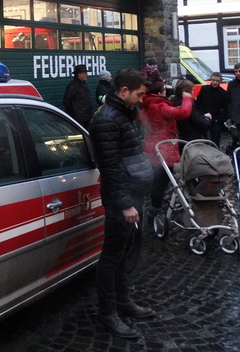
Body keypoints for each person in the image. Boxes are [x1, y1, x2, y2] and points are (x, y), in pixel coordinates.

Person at [89, 68, 154, 339]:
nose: (141, 100)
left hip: (131, 193)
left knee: (124, 250)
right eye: (139, 94)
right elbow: (110, 167)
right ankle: (107, 313)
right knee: (112, 255)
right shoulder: (106, 119)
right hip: (121, 199)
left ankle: (123, 302)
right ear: (124, 90)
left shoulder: (122, 114)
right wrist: (126, 203)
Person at [138, 79, 193, 212]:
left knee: (159, 178)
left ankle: (157, 204)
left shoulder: (147, 105)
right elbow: (184, 113)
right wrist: (187, 98)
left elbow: (140, 119)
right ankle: (155, 208)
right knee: (163, 180)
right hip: (164, 147)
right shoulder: (160, 106)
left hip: (152, 145)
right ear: (160, 92)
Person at [196, 72, 230, 147]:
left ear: (220, 81)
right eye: (213, 80)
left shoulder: (223, 93)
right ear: (211, 79)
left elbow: (226, 109)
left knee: (215, 141)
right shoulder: (204, 89)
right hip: (203, 117)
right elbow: (198, 102)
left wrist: (219, 119)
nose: (215, 82)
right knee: (203, 139)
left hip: (215, 119)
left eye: (217, 80)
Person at [63, 64, 93, 128]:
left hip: (87, 117)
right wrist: (74, 113)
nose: (86, 75)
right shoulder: (73, 86)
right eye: (85, 73)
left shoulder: (84, 85)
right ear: (79, 74)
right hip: (79, 118)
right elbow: (66, 101)